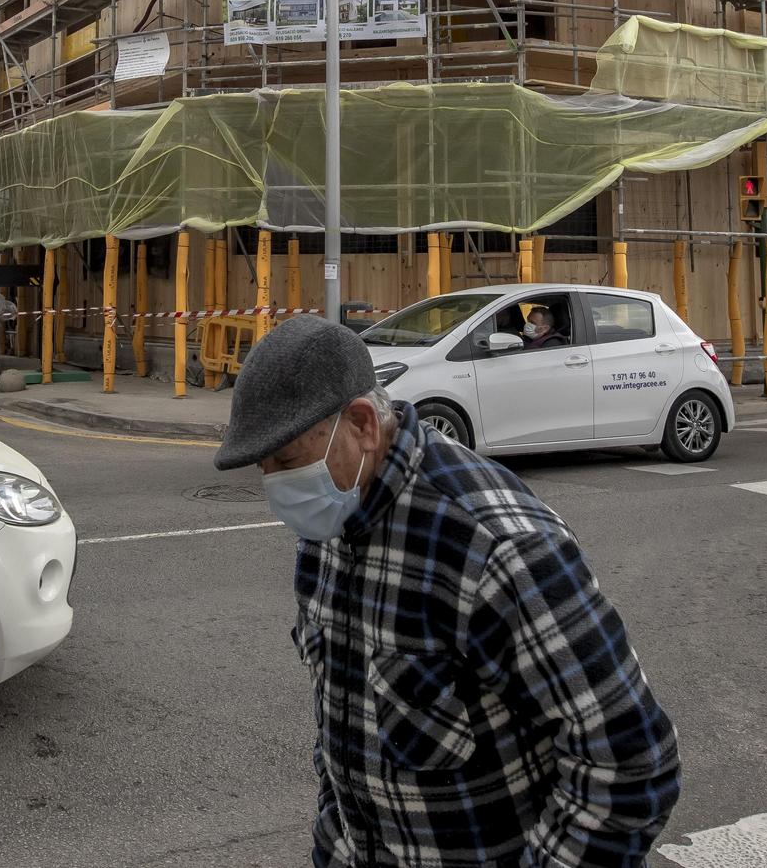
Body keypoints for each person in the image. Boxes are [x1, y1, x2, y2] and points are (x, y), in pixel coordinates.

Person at [216, 315, 679, 867]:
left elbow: (630, 761)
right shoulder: (331, 524)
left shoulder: (497, 547)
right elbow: (342, 725)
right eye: (265, 468)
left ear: (363, 424)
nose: (277, 485)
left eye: (289, 462)